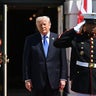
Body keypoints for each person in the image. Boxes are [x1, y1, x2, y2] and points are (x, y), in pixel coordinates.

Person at [22, 16, 68, 96]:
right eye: (40, 25)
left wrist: (63, 78)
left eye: (44, 24)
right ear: (37, 26)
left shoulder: (58, 38)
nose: (42, 26)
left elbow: (63, 61)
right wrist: (27, 79)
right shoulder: (30, 40)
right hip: (37, 80)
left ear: (49, 25)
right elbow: (26, 61)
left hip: (54, 80)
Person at [54, 13, 96, 96]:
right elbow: (57, 43)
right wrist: (73, 30)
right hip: (81, 79)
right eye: (90, 24)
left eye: (94, 25)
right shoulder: (77, 38)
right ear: (84, 25)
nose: (92, 27)